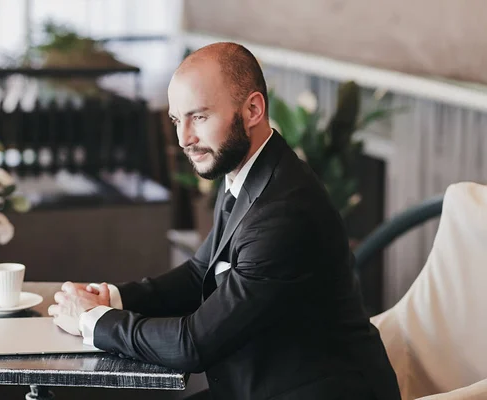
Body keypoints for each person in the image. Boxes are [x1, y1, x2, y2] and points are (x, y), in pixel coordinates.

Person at [48, 42, 401, 400]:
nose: (184, 138)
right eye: (176, 119)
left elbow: (194, 344)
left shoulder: (284, 211)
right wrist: (115, 298)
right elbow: (199, 273)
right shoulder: (244, 172)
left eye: (199, 117)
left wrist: (92, 320)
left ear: (252, 109)